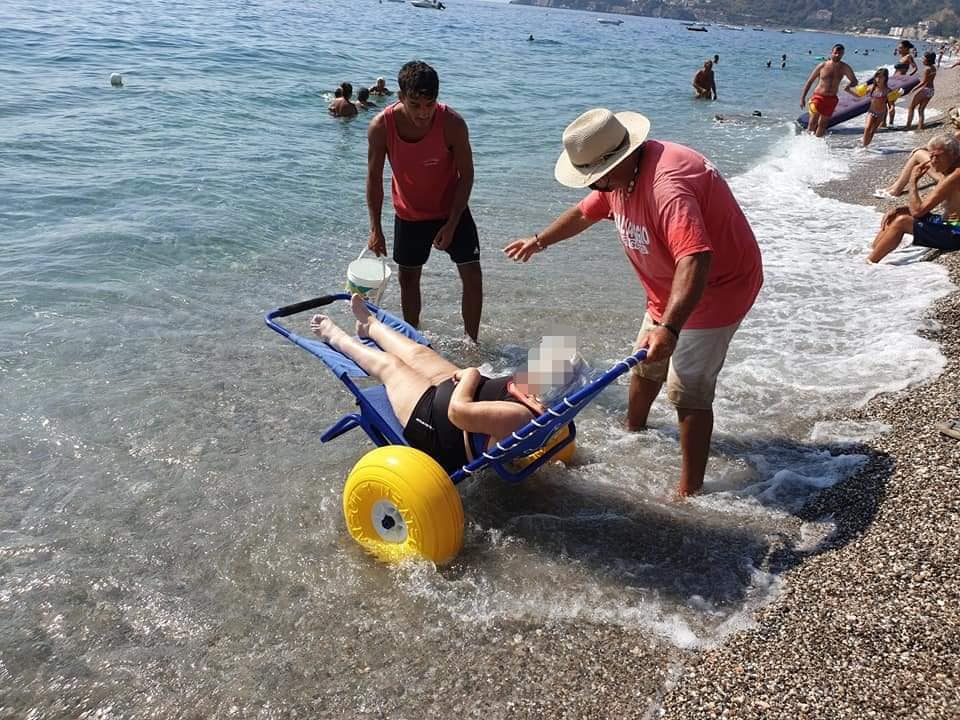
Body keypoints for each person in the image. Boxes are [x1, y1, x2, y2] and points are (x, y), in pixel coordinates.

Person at [504, 108, 763, 496]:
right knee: (644, 363)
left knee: (687, 389)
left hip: (718, 287)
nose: (596, 187)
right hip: (667, 288)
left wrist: (671, 328)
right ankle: (633, 433)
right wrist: (539, 240)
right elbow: (582, 214)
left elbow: (696, 259)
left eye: (595, 179)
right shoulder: (619, 179)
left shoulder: (667, 186)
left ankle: (688, 493)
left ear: (619, 159)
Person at [310, 295, 562, 473]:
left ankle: (335, 337)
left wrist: (472, 375)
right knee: (418, 353)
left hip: (435, 426)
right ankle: (369, 325)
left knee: (391, 366)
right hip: (454, 391)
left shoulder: (519, 416)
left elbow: (458, 413)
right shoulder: (532, 394)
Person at [366, 60, 483, 341]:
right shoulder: (381, 126)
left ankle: (472, 342)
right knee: (408, 280)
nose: (423, 113)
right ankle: (414, 340)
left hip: (450, 208)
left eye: (429, 105)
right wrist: (375, 228)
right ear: (400, 97)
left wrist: (452, 223)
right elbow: (373, 179)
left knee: (472, 275)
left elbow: (466, 176)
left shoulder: (452, 124)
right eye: (415, 104)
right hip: (409, 213)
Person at [868, 134, 960, 263]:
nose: (932, 161)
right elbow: (924, 207)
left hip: (956, 232)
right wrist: (902, 208)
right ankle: (872, 251)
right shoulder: (950, 171)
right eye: (931, 156)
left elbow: (918, 212)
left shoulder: (956, 175)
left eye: (937, 157)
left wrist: (913, 181)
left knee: (902, 221)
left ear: (954, 155)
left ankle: (868, 264)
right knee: (897, 213)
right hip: (947, 224)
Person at [875, 127, 960, 198]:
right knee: (919, 153)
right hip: (952, 172)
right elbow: (948, 145)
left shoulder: (958, 134)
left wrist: (913, 182)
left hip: (951, 177)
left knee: (918, 154)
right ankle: (894, 187)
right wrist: (925, 148)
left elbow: (919, 211)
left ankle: (895, 190)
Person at [799, 44, 858, 137]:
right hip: (818, 97)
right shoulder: (822, 65)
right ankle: (806, 143)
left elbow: (854, 81)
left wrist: (848, 86)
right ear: (831, 53)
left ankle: (816, 144)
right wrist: (802, 98)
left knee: (823, 125)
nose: (837, 55)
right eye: (835, 53)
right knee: (813, 123)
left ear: (843, 54)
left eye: (840, 53)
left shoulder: (844, 68)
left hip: (831, 99)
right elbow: (810, 81)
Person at [905, 51, 937, 131]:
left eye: (924, 58)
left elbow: (923, 82)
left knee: (911, 107)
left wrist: (913, 89)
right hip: (931, 90)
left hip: (925, 90)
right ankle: (920, 127)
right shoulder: (933, 68)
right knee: (921, 109)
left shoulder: (927, 69)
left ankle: (908, 126)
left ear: (928, 60)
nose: (922, 60)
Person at [862, 68, 894, 148]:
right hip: (871, 112)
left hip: (881, 114)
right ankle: (864, 146)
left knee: (872, 131)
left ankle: (866, 146)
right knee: (867, 128)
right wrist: (849, 90)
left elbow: (891, 104)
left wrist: (892, 108)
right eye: (877, 77)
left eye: (880, 77)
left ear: (885, 78)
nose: (878, 79)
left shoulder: (888, 91)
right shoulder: (871, 88)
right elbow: (859, 94)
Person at [889, 41, 918, 127]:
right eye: (899, 47)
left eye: (901, 47)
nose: (899, 49)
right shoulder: (902, 56)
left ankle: (890, 123)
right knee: (888, 101)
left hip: (899, 82)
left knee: (891, 102)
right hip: (893, 81)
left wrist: (907, 77)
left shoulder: (909, 56)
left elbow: (915, 68)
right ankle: (884, 123)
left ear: (906, 48)